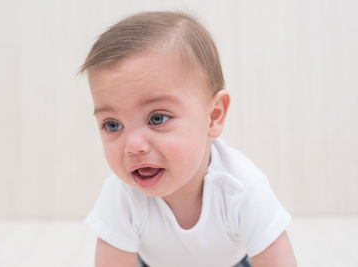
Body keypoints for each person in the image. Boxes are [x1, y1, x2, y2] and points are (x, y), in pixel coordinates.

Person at [79, 11, 297, 267]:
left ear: (214, 116)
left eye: (157, 118)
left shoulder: (242, 189)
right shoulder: (122, 194)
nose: (133, 146)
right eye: (113, 125)